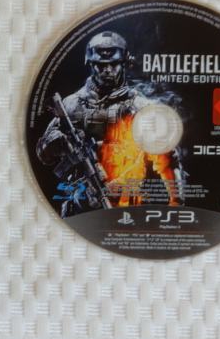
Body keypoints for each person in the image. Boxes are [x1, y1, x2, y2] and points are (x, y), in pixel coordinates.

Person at [36, 30, 183, 216]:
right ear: (91, 64)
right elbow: (43, 155)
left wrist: (176, 203)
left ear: (124, 63)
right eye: (100, 65)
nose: (107, 70)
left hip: (127, 207)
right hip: (81, 208)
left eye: (113, 64)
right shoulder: (72, 105)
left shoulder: (140, 107)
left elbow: (168, 159)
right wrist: (53, 142)